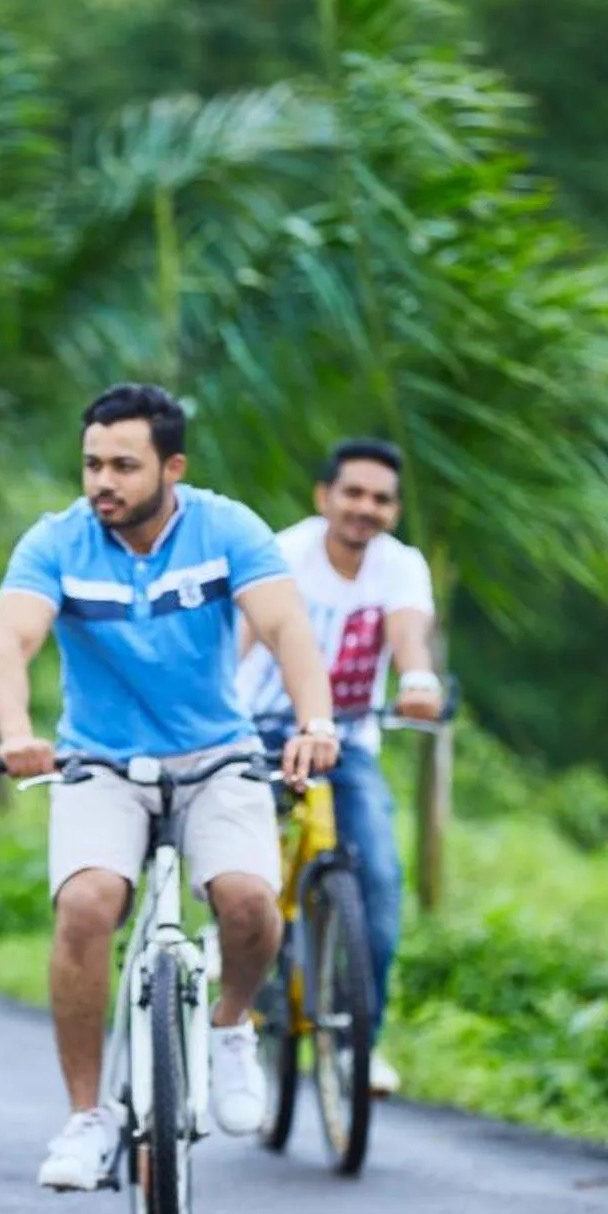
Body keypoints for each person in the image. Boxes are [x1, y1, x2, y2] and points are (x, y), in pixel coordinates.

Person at [0, 383, 341, 1190]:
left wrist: (314, 723)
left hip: (216, 757)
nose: (101, 481)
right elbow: (8, 645)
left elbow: (285, 628)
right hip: (97, 764)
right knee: (86, 904)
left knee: (247, 900)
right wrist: (14, 734)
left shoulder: (225, 528)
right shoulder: (56, 542)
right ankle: (85, 1119)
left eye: (123, 466)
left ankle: (230, 1027)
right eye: (91, 464)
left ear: (172, 467)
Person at [236, 436, 440, 1095]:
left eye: (380, 499)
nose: (365, 508)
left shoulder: (399, 567)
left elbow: (408, 636)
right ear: (324, 496)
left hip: (349, 741)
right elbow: (239, 639)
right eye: (352, 493)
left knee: (378, 877)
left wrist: (418, 681)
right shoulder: (283, 553)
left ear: (393, 510)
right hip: (261, 729)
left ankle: (359, 1043)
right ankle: (230, 968)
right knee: (236, 863)